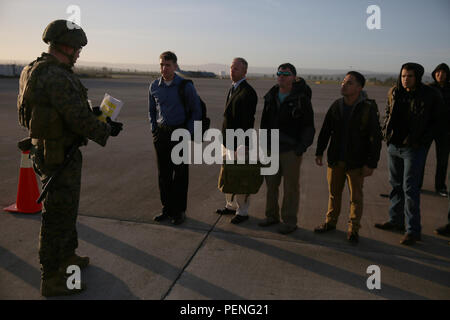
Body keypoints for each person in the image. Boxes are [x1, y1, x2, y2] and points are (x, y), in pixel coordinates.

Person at [18, 20, 123, 297]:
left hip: (51, 149)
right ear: (65, 46)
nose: (78, 53)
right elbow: (77, 118)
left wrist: (96, 113)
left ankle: (66, 257)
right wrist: (105, 128)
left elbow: (63, 109)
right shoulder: (56, 75)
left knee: (66, 209)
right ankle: (51, 276)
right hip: (57, 154)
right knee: (57, 214)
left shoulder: (33, 69)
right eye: (76, 48)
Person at [375, 62, 444, 245]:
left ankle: (413, 230)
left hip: (413, 148)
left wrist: (420, 141)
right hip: (393, 146)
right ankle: (395, 220)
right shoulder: (394, 91)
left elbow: (437, 122)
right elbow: (388, 113)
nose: (406, 79)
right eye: (404, 75)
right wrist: (385, 133)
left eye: (410, 76)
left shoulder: (430, 95)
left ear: (418, 77)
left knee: (410, 188)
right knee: (395, 185)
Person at [314, 72, 382, 244]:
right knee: (334, 194)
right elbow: (325, 130)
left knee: (356, 198)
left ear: (359, 88)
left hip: (356, 163)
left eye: (349, 83)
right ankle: (330, 223)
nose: (343, 85)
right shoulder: (336, 105)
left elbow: (375, 138)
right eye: (343, 82)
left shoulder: (367, 108)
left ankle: (353, 229)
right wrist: (319, 151)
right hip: (336, 159)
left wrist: (371, 164)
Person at [258, 63, 315, 234]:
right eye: (279, 73)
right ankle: (271, 216)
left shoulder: (301, 99)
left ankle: (289, 221)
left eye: (286, 74)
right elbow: (264, 123)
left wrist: (301, 148)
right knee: (271, 186)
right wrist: (263, 144)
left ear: (294, 78)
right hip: (271, 148)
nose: (281, 76)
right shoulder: (271, 96)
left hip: (290, 150)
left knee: (290, 188)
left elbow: (308, 126)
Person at [149, 51, 202, 226]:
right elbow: (151, 110)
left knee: (180, 175)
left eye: (168, 65)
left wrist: (187, 132)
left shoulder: (185, 85)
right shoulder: (154, 86)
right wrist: (154, 129)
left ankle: (179, 211)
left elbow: (196, 111)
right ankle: (167, 209)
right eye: (162, 65)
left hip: (180, 133)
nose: (164, 68)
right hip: (161, 134)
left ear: (176, 66)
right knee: (163, 174)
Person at [216, 57, 258, 224]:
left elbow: (248, 121)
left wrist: (245, 144)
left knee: (241, 176)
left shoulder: (248, 93)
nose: (232, 71)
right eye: (232, 68)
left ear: (245, 72)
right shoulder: (233, 88)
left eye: (237, 69)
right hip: (227, 141)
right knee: (228, 174)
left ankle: (242, 211)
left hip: (239, 143)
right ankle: (230, 205)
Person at [422, 63, 450, 197]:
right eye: (438, 72)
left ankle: (440, 187)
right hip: (429, 129)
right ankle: (416, 184)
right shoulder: (429, 89)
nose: (441, 75)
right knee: (421, 158)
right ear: (434, 74)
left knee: (443, 160)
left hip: (445, 130)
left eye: (444, 72)